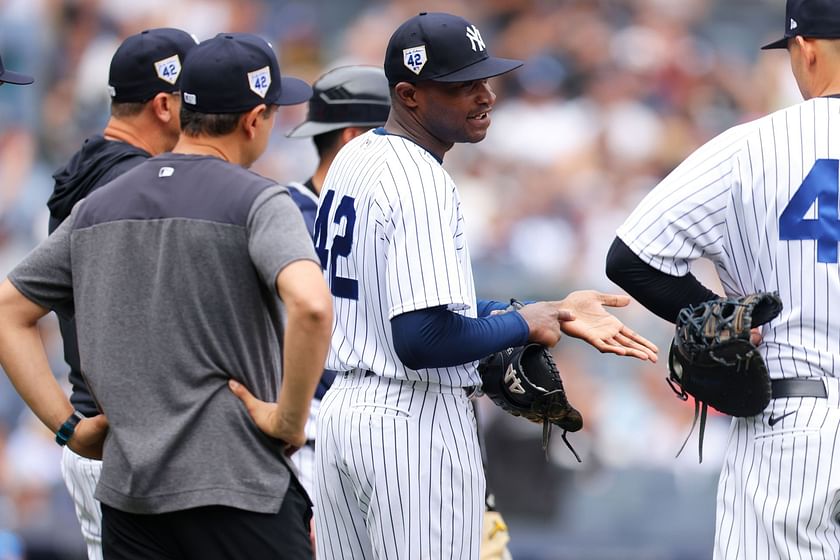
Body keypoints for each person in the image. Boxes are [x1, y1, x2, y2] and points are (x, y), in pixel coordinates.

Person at [296, 12, 657, 559]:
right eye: (461, 86)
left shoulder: (354, 158)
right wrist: (521, 323)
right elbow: (421, 340)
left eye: (484, 79)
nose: (485, 95)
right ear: (408, 94)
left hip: (344, 416)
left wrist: (547, 310)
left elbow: (419, 306)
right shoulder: (421, 179)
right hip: (411, 422)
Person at [0, 32, 331, 560]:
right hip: (238, 485)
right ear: (253, 120)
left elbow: (7, 309)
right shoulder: (259, 199)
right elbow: (312, 306)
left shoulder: (98, 201)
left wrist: (67, 426)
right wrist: (288, 419)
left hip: (131, 490)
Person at [605, 0, 840, 557]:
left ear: (805, 49)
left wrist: (722, 314)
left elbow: (631, 258)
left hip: (794, 425)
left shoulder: (752, 146)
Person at [44, 27, 197, 560]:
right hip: (131, 448)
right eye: (193, 95)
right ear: (163, 103)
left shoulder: (84, 168)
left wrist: (69, 424)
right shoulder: (138, 184)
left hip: (101, 436)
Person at [284, 64, 391, 500]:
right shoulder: (283, 214)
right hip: (306, 434)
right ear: (352, 137)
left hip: (383, 433)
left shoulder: (394, 213)